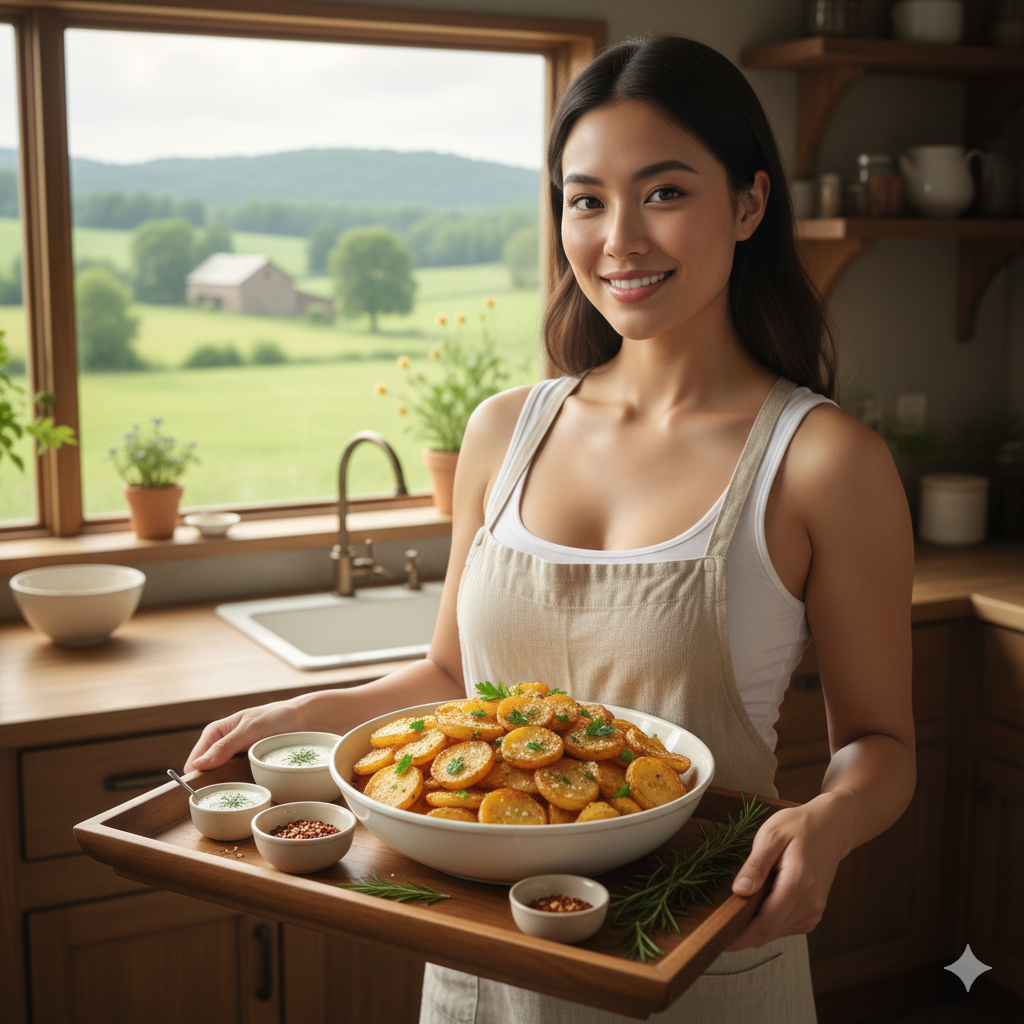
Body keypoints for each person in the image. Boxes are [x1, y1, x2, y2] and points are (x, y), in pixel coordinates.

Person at [186, 34, 915, 1024]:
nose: (618, 238)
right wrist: (305, 715)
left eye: (663, 192)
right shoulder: (502, 430)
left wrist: (826, 822)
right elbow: (452, 678)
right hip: (482, 965)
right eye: (585, 199)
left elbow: (878, 743)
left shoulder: (825, 462)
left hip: (698, 955)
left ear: (747, 203)